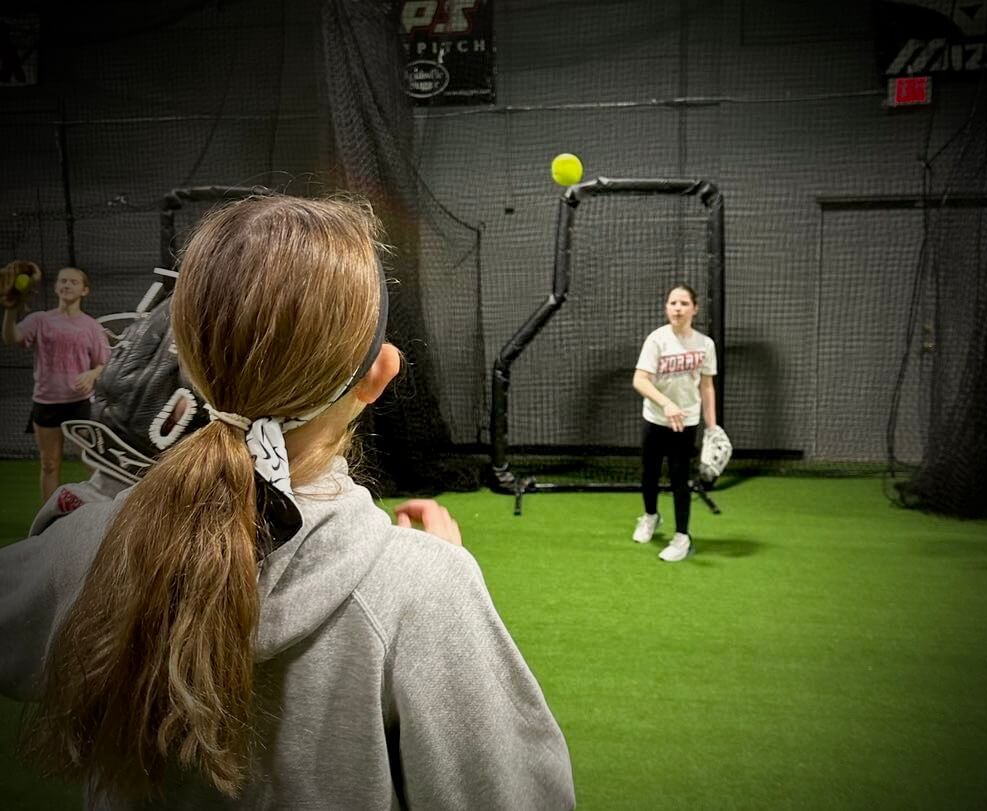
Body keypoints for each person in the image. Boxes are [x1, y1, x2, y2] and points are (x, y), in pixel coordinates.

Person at [0, 194, 575, 809]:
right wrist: (431, 572)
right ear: (381, 373)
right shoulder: (423, 589)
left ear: (186, 362)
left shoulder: (95, 547)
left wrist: (103, 498)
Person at [2, 264, 111, 503]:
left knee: (93, 462)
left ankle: (98, 515)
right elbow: (11, 337)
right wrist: (11, 310)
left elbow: (105, 365)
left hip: (80, 404)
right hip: (46, 403)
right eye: (63, 281)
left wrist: (92, 374)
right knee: (49, 464)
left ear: (85, 290)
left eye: (73, 282)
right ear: (55, 287)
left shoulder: (91, 326)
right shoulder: (40, 320)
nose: (67, 285)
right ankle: (48, 521)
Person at [631, 283, 717, 562]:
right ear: (666, 308)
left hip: (686, 422)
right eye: (672, 303)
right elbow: (639, 380)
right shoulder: (657, 340)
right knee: (650, 474)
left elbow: (706, 387)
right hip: (655, 419)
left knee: (680, 479)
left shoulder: (705, 345)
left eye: (683, 303)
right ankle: (650, 516)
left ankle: (681, 537)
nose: (677, 308)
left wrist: (712, 427)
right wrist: (666, 404)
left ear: (695, 308)